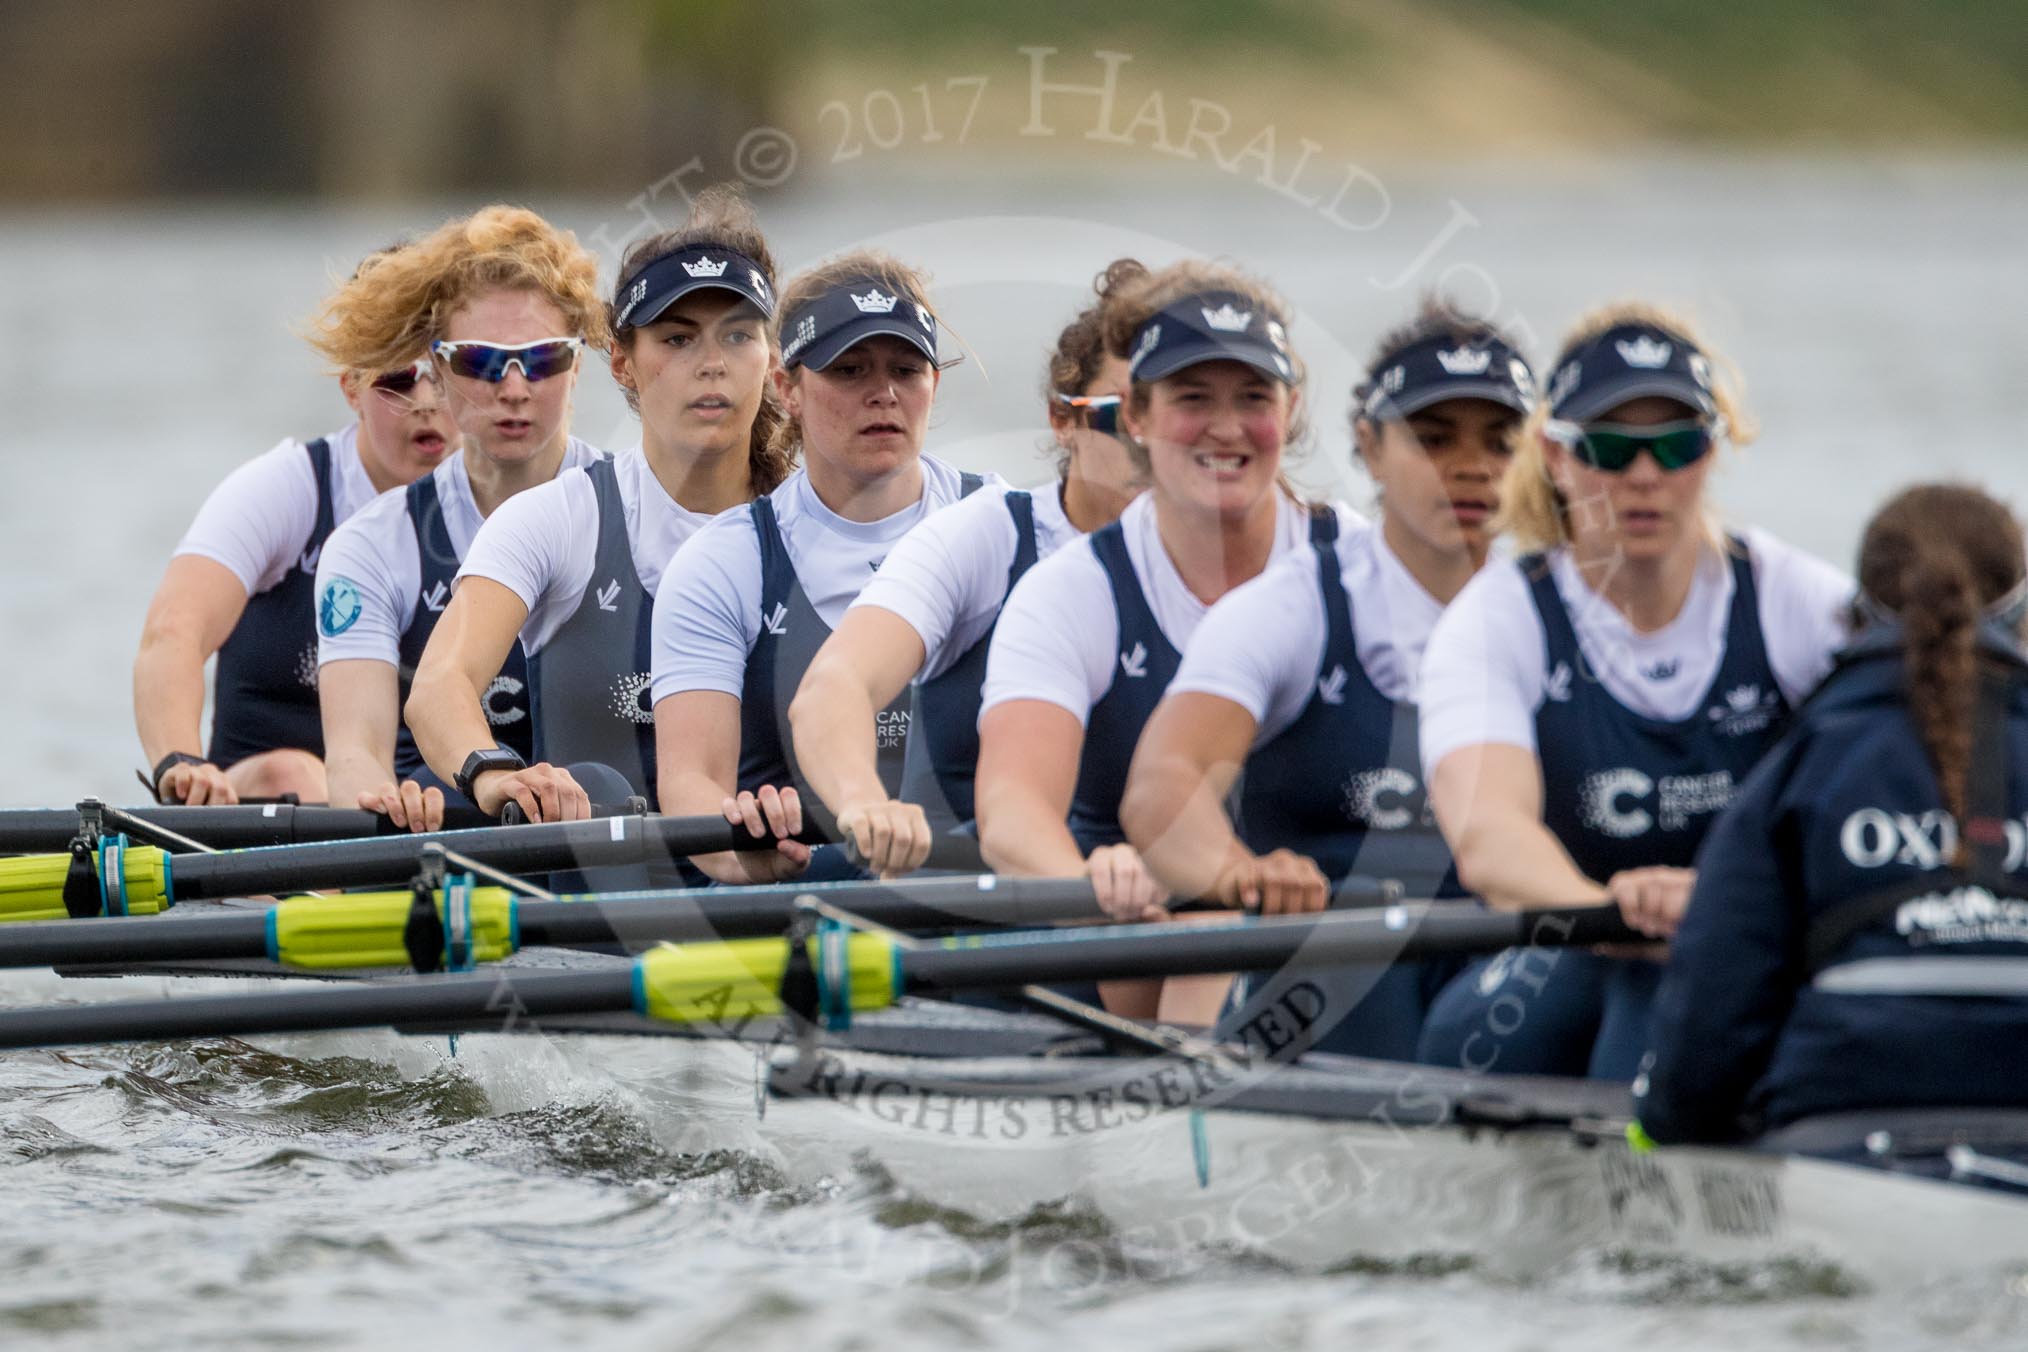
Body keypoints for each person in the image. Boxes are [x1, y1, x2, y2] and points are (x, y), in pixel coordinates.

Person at [1415, 304, 1854, 1079]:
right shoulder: (1497, 618)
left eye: (1678, 445)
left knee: (1679, 991)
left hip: (1745, 946)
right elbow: (1489, 840)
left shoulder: (1794, 599)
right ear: (1555, 455)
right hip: (1556, 954)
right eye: (1612, 450)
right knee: (1638, 988)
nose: (1646, 477)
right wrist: (1619, 913)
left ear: (1713, 452)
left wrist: (1722, 912)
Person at [1119, 301, 1533, 1058]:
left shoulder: (1558, 612)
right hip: (1330, 966)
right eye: (1435, 440)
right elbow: (1162, 786)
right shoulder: (1292, 606)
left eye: (1502, 443)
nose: (1472, 467)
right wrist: (1237, 873)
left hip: (1503, 959)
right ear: (1370, 449)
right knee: (1363, 976)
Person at [974, 260, 1357, 1022]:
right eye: (1192, 399)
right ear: (1137, 417)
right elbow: (1013, 811)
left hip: (1330, 921)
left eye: (1253, 398)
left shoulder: (1361, 571)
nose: (1225, 427)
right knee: (1207, 923)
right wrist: (1093, 888)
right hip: (1124, 927)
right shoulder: (1072, 592)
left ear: (1291, 408)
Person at [1637, 484, 2028, 1150]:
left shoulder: (1804, 764)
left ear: (1854, 616)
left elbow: (1717, 1000)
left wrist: (1671, 1129)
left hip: (1839, 1122)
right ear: (2021, 621)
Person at [408, 187, 785, 828]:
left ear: (773, 361)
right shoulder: (556, 520)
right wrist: (493, 773)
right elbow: (439, 686)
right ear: (622, 364)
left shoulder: (819, 527)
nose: (713, 365)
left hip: (781, 890)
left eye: (739, 335)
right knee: (596, 782)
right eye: (677, 339)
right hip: (594, 903)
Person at [787, 259, 1147, 875]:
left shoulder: (1265, 555)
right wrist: (865, 804)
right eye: (1124, 417)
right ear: (1064, 421)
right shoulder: (984, 534)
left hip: (1149, 895)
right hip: (971, 914)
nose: (1154, 446)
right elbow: (832, 689)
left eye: (1178, 414)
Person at [650, 249, 988, 883]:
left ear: (934, 384)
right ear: (787, 387)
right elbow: (691, 784)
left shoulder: (998, 524)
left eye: (907, 369)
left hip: (974, 888)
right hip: (800, 894)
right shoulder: (726, 562)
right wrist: (741, 854)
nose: (883, 393)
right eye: (850, 369)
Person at [313, 206, 607, 830]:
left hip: (608, 838)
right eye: (480, 361)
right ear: (438, 373)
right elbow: (355, 754)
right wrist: (378, 804)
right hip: (441, 839)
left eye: (544, 358)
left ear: (577, 365)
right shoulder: (371, 546)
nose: (514, 387)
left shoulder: (637, 511)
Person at [132, 241, 456, 807]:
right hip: (263, 811)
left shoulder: (517, 507)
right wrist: (180, 763)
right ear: (351, 387)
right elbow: (172, 632)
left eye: (444, 373)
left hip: (418, 808)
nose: (425, 401)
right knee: (300, 775)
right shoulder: (287, 488)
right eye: (398, 379)